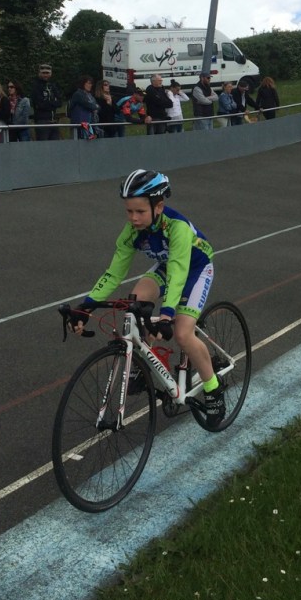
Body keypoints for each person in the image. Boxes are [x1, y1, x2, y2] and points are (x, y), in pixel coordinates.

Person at [71, 169, 225, 425]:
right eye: (129, 211)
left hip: (195, 268)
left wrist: (167, 314)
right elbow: (114, 273)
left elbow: (178, 272)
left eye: (140, 211)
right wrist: (86, 306)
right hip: (168, 266)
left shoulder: (177, 228)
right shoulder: (132, 231)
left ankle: (213, 388)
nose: (133, 218)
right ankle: (145, 364)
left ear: (159, 207)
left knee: (182, 333)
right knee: (136, 301)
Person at [30, 63, 64, 141]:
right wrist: (53, 102)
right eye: (43, 73)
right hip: (42, 121)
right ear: (39, 73)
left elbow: (60, 102)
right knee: (43, 145)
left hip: (54, 121)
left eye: (47, 73)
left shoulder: (52, 86)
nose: (45, 75)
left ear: (50, 74)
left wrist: (48, 102)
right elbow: (40, 104)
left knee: (55, 145)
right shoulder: (36, 86)